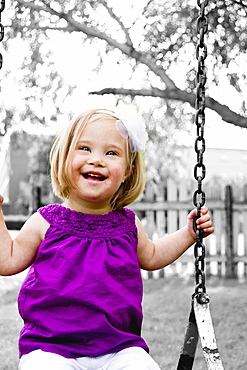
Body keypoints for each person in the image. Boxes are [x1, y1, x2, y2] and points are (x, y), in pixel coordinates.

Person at [0, 106, 214, 370]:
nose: (97, 160)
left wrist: (188, 234)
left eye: (111, 153)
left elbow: (154, 254)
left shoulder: (128, 224)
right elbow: (7, 261)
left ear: (127, 171)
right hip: (50, 348)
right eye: (85, 149)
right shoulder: (45, 221)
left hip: (119, 347)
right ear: (65, 158)